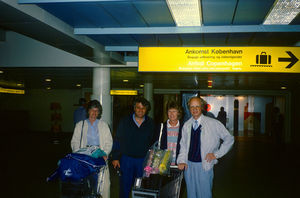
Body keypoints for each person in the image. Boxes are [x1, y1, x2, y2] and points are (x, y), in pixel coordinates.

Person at [177, 97, 234, 198]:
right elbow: (183, 146)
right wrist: (181, 160)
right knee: (191, 194)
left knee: (205, 194)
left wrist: (216, 154)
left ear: (202, 107)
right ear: (189, 108)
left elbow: (229, 139)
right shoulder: (186, 125)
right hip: (189, 166)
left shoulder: (213, 123)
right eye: (192, 106)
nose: (194, 109)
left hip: (204, 165)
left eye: (197, 106)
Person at [111, 97, 155, 198]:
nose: (140, 110)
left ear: (147, 109)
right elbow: (117, 140)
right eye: (138, 107)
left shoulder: (151, 123)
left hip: (143, 161)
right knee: (124, 186)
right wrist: (116, 157)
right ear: (134, 108)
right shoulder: (124, 122)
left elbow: (153, 142)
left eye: (143, 108)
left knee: (141, 186)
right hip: (127, 160)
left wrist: (152, 160)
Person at [71, 100, 113, 198]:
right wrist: (78, 155)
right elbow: (75, 141)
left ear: (99, 113)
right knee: (86, 183)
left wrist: (105, 153)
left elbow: (109, 141)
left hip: (100, 155)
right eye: (92, 110)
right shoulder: (80, 125)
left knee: (103, 184)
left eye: (96, 111)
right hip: (84, 157)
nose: (94, 113)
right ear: (88, 111)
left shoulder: (104, 125)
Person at [156, 100, 184, 166]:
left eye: (174, 111)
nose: (171, 114)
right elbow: (157, 145)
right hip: (163, 164)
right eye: (169, 111)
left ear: (179, 113)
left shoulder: (184, 128)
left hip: (179, 164)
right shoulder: (161, 127)